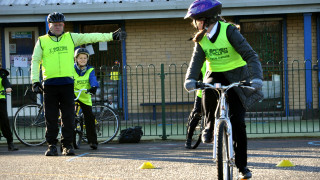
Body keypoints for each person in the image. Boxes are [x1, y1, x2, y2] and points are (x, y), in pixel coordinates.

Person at [183, 0, 264, 179]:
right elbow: (196, 62)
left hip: (237, 74)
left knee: (238, 123)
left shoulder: (229, 31)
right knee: (207, 88)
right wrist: (190, 79)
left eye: (195, 19)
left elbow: (251, 55)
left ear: (204, 19)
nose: (194, 23)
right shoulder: (202, 38)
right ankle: (210, 127)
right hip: (216, 73)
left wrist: (256, 78)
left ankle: (242, 166)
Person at [31, 12, 126, 156]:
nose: (58, 27)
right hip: (49, 84)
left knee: (68, 117)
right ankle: (51, 145)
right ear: (49, 25)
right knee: (50, 117)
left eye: (60, 24)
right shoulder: (42, 41)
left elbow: (90, 37)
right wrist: (35, 81)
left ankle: (67, 145)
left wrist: (111, 36)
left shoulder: (70, 37)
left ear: (63, 25)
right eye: (55, 25)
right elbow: (35, 60)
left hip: (67, 84)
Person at [73, 48, 99, 150]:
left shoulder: (90, 70)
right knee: (69, 117)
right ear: (76, 59)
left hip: (85, 96)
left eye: (85, 58)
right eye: (80, 58)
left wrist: (93, 87)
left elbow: (93, 79)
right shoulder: (71, 69)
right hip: (74, 95)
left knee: (89, 118)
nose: (83, 60)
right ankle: (69, 140)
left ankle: (93, 141)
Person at [185, 62, 206, 149]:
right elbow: (195, 75)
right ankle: (189, 139)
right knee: (197, 114)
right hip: (202, 92)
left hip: (216, 91)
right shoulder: (202, 63)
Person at [0, 65, 18, 151]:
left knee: (4, 121)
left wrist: (8, 88)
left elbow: (7, 83)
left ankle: (10, 143)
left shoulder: (2, 74)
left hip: (0, 101)